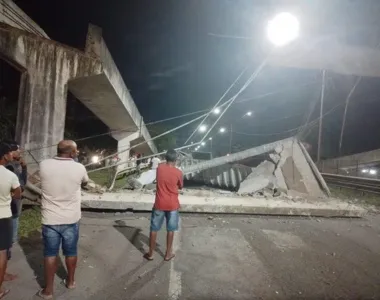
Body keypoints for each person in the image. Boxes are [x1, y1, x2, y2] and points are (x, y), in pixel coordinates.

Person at [38, 140, 89, 299]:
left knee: (50, 254)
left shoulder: (44, 165)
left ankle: (48, 291)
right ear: (72, 153)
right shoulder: (79, 167)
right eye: (76, 151)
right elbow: (85, 183)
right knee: (71, 251)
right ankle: (71, 281)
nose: (77, 153)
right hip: (71, 219)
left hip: (50, 219)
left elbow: (35, 181)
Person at [144, 149, 183, 262]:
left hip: (159, 204)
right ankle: (167, 254)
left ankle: (150, 254)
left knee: (154, 229)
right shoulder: (178, 172)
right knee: (170, 230)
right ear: (176, 160)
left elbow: (160, 168)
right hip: (172, 205)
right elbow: (180, 186)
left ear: (165, 158)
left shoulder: (159, 168)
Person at [0, 143, 22, 299]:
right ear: (5, 155)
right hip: (3, 217)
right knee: (1, 253)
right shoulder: (9, 175)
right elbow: (18, 195)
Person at [3, 141, 27, 246]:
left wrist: (24, 168)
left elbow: (22, 182)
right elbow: (19, 186)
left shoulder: (15, 164)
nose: (20, 151)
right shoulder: (9, 167)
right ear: (10, 152)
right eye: (17, 149)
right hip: (10, 204)